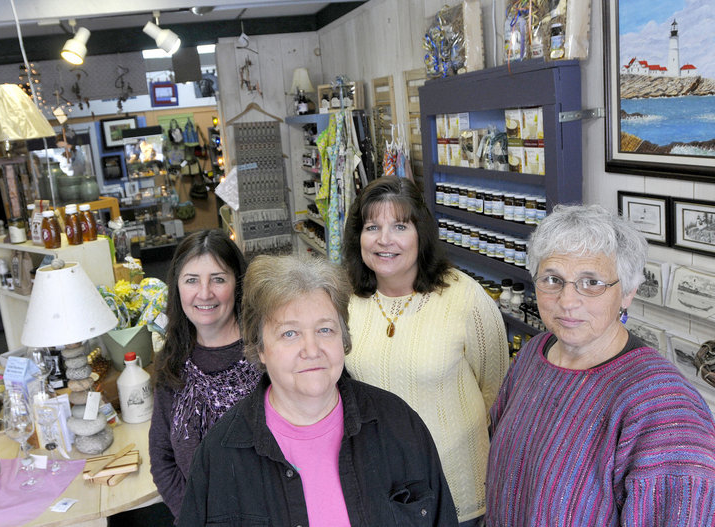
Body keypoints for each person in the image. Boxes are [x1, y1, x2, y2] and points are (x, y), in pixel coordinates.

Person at [177, 255, 458, 526]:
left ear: (343, 338)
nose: (312, 350)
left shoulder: (399, 425)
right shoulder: (219, 457)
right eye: (290, 333)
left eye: (325, 330)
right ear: (260, 347)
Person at [486, 204, 715, 526]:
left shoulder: (665, 410)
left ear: (628, 292)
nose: (567, 300)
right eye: (553, 279)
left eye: (591, 282)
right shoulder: (535, 353)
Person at [342, 175, 508, 526]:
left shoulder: (465, 298)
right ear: (358, 237)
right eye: (373, 226)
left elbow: (495, 388)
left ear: (421, 235)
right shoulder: (344, 301)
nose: (384, 240)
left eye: (399, 226)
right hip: (379, 489)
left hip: (457, 489)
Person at [149, 229, 261, 520]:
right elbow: (163, 460)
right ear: (177, 287)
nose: (204, 293)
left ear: (237, 284)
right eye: (191, 280)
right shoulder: (172, 362)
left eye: (218, 279)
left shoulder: (267, 353)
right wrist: (194, 518)